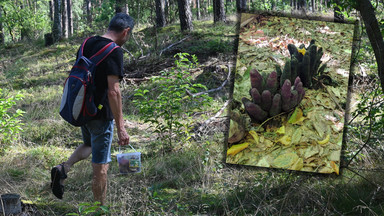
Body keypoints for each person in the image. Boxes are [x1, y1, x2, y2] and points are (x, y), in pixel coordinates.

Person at [50, 13, 134, 206]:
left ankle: (63, 168)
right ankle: (99, 209)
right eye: (128, 36)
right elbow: (113, 91)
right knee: (101, 166)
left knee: (88, 144)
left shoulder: (86, 42)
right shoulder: (115, 51)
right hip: (100, 115)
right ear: (125, 31)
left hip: (82, 109)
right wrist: (121, 127)